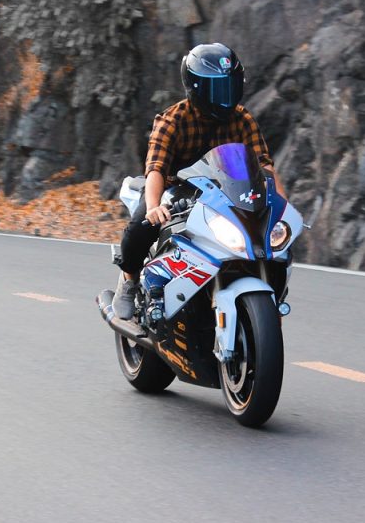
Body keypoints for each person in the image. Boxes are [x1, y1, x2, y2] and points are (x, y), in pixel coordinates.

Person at [113, 43, 285, 319]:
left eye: (230, 86)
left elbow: (264, 166)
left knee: (268, 240)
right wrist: (154, 206)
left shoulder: (242, 119)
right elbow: (156, 168)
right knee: (139, 228)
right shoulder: (172, 120)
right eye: (218, 89)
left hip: (225, 193)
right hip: (174, 192)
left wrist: (280, 204)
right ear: (196, 89)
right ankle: (129, 281)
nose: (226, 96)